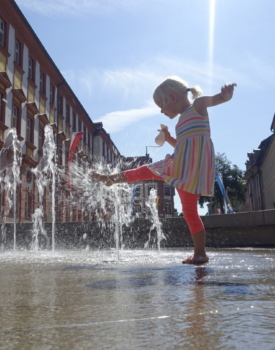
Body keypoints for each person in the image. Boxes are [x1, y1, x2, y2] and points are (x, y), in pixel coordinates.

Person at [90, 76, 236, 264]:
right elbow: (182, 146)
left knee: (150, 175)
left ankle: (111, 179)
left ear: (172, 97)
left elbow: (217, 99)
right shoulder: (180, 121)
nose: (161, 110)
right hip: (182, 165)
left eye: (161, 104)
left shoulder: (197, 106)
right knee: (188, 210)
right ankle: (200, 253)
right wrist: (168, 138)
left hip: (192, 166)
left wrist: (225, 95)